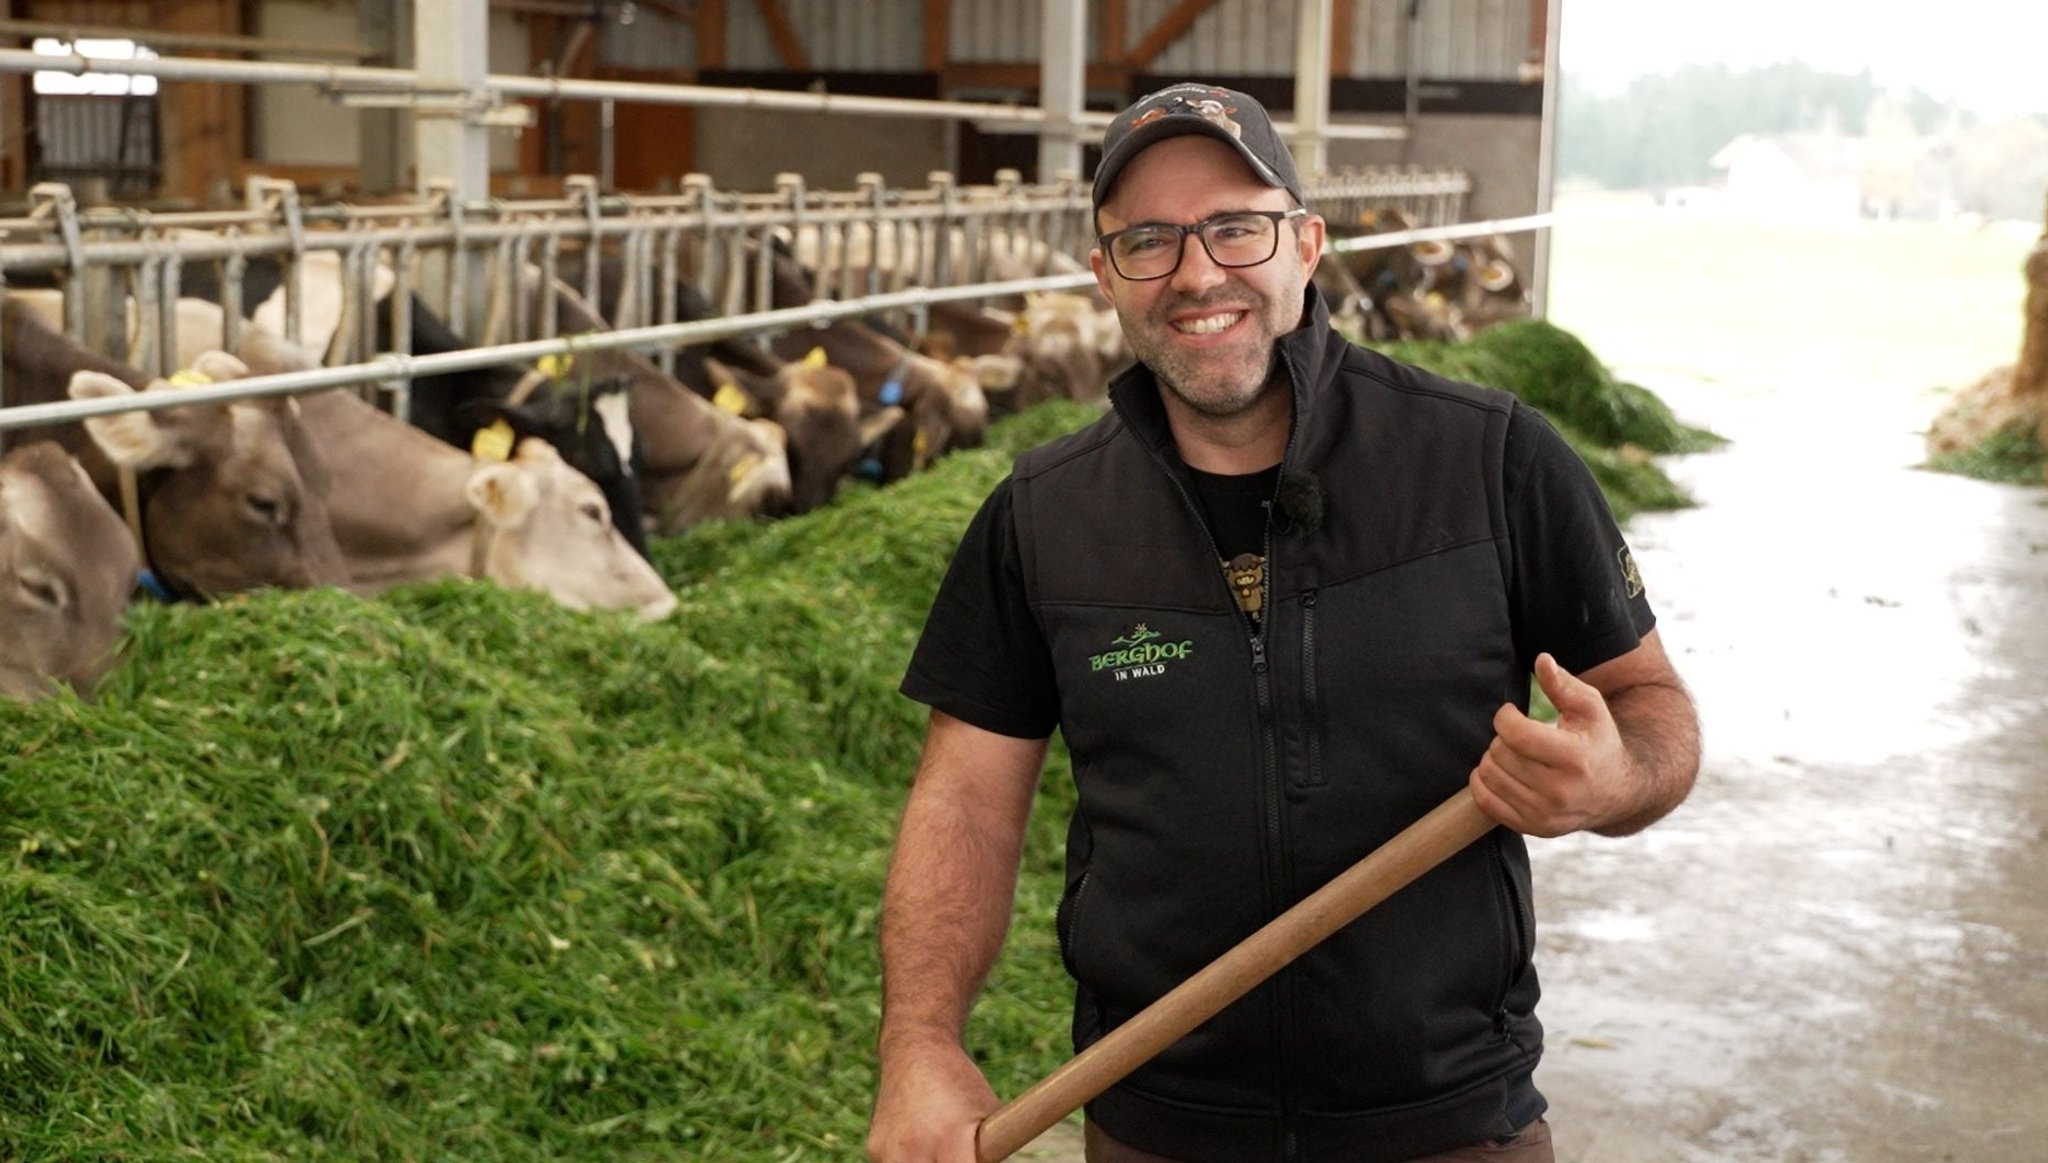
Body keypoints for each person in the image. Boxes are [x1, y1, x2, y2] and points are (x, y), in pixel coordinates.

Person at [867, 82, 1700, 1163]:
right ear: (1102, 275)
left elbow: (1652, 711)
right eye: (1149, 240)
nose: (1197, 272)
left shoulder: (1490, 461)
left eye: (1235, 226)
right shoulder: (1043, 516)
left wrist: (1613, 777)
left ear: (1305, 244)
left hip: (1447, 1123)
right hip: (1155, 1125)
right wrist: (920, 1042)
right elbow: (965, 804)